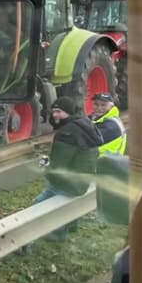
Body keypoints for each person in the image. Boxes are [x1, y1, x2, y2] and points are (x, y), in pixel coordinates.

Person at [34, 96, 103, 239]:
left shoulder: (66, 133)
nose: (55, 115)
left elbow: (59, 166)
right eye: (53, 111)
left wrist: (47, 168)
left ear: (69, 112)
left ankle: (58, 234)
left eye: (58, 111)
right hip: (82, 181)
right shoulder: (85, 124)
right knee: (69, 202)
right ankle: (71, 224)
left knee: (37, 205)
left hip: (67, 184)